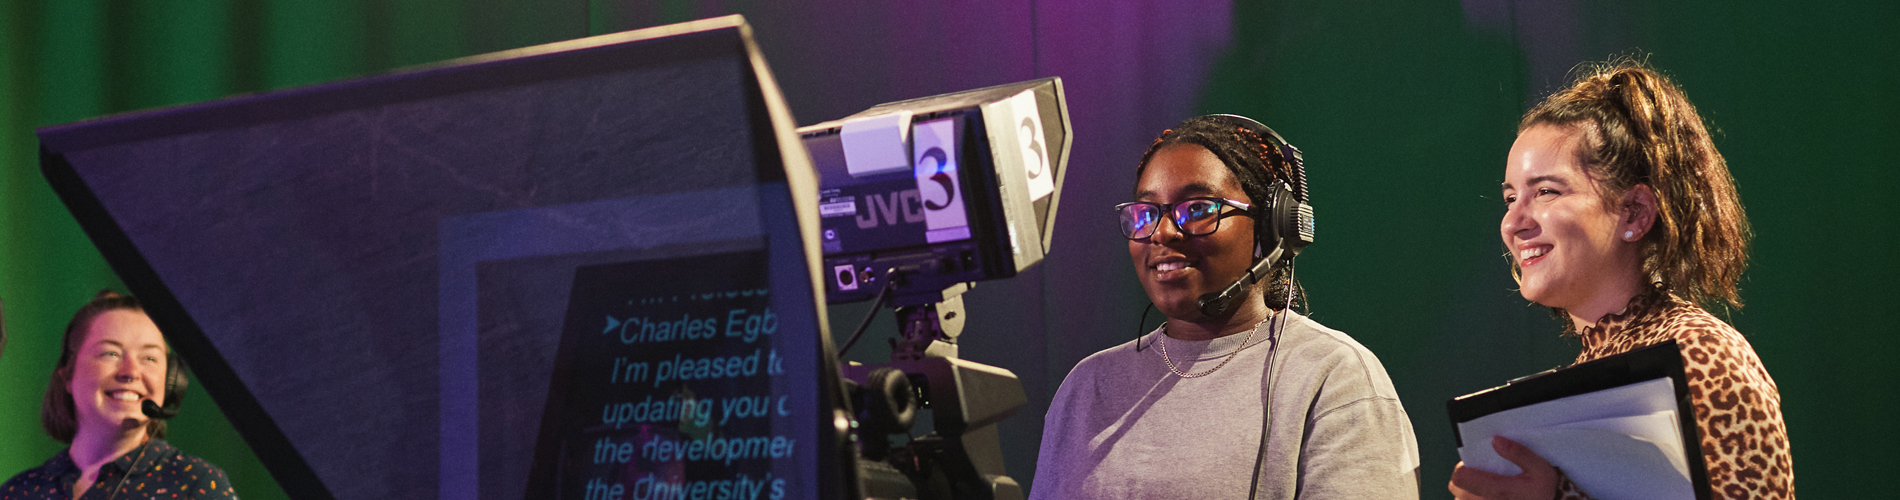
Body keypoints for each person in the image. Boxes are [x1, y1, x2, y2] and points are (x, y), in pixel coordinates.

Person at [1449, 60, 1794, 499]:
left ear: (1635, 212)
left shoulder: (1699, 352)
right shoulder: (1592, 369)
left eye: (1547, 192)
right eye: (1510, 197)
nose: (1513, 222)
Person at [1032, 115, 1418, 499]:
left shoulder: (1333, 376)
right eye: (1147, 213)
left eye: (1198, 210)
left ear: (1270, 227)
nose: (1162, 232)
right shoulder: (1087, 387)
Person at [2, 291, 239, 500]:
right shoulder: (19, 491)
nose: (131, 372)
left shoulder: (196, 484)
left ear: (171, 382)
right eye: (110, 354)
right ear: (67, 375)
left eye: (149, 358)